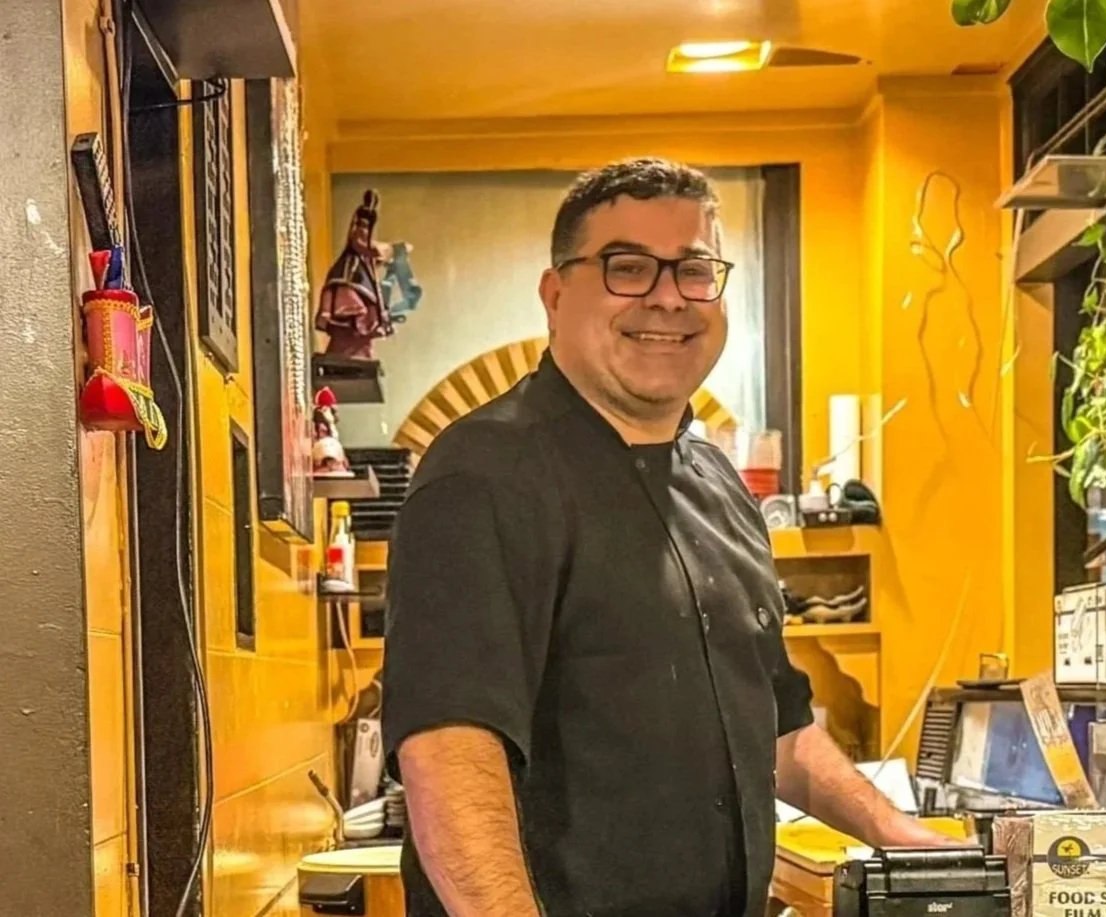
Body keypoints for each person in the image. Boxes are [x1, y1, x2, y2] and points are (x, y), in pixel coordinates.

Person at [381, 157, 951, 917]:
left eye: (693, 269)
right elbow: (450, 751)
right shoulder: (483, 475)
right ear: (555, 295)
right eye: (627, 267)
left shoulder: (722, 487)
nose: (667, 298)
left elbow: (778, 732)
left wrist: (907, 840)